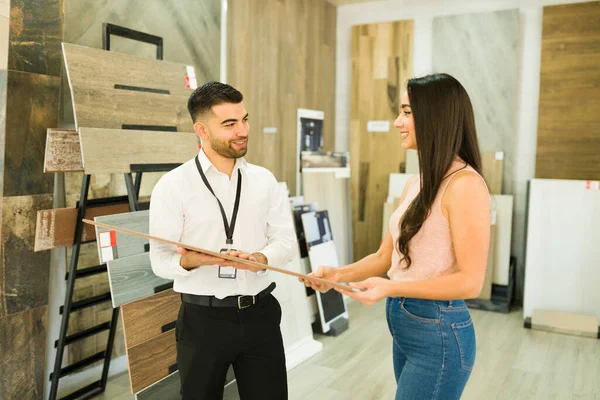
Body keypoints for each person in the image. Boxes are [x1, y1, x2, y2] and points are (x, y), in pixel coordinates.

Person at [301, 73, 490, 400]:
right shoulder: (416, 182)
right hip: (406, 327)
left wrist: (391, 286)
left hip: (439, 333)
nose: (396, 122)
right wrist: (337, 275)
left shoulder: (465, 186)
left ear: (434, 117)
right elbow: (385, 257)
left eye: (406, 112)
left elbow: (471, 282)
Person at [149, 81, 296, 400]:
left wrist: (261, 259)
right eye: (229, 124)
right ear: (201, 129)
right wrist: (191, 261)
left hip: (261, 314)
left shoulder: (264, 181)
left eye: (244, 119)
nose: (242, 130)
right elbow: (159, 260)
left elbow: (285, 241)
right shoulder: (173, 186)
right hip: (203, 321)